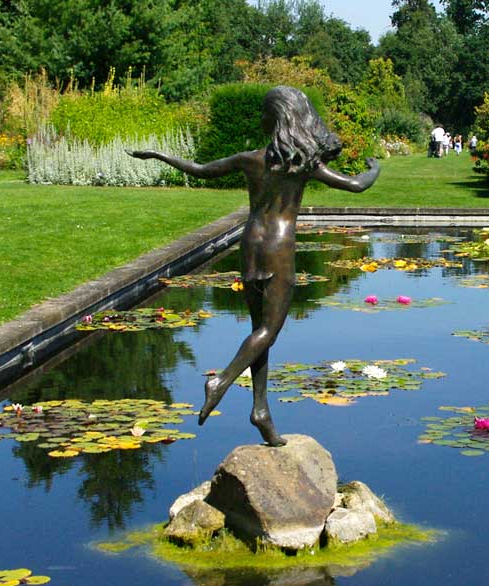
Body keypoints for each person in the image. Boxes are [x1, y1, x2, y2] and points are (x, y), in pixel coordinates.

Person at [129, 87, 381, 446]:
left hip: (250, 245)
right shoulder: (303, 164)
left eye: (264, 113)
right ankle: (222, 380)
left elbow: (201, 170)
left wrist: (159, 155)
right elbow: (356, 185)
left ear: (276, 118)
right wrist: (375, 168)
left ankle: (260, 411)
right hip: (279, 249)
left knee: (258, 331)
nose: (260, 119)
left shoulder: (251, 159)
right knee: (268, 332)